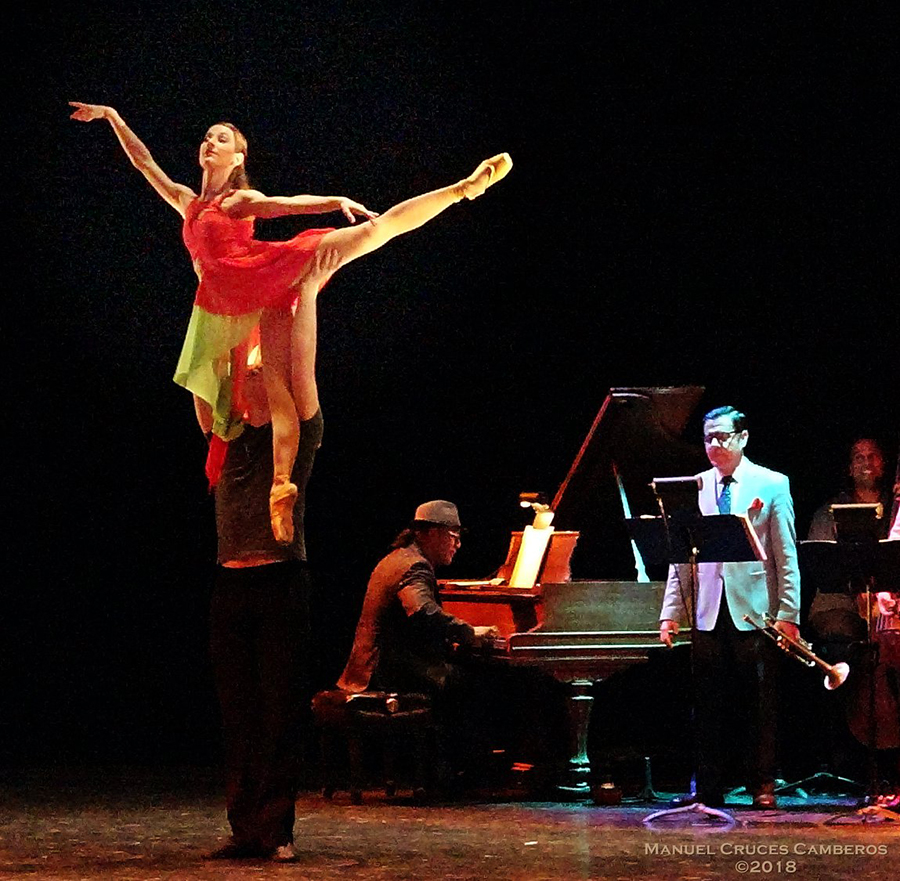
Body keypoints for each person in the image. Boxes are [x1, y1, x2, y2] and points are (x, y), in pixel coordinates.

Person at [69, 102, 512, 541]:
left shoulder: (238, 201)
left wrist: (333, 201)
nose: (210, 142)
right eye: (207, 136)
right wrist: (112, 117)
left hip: (259, 277)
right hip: (222, 305)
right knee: (218, 399)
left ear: (237, 159)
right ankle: (256, 483)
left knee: (371, 235)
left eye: (222, 139)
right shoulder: (187, 202)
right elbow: (145, 164)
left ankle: (463, 188)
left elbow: (283, 205)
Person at [200, 249, 336, 863]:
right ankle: (244, 826)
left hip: (282, 583)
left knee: (280, 713)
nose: (250, 381)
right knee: (238, 716)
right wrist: (212, 287)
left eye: (258, 377)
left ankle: (277, 830)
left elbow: (296, 381)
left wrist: (304, 297)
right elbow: (205, 380)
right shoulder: (224, 440)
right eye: (245, 380)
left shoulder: (298, 436)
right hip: (230, 585)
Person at [659, 405, 801, 809]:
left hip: (754, 609)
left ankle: (762, 783)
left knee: (759, 701)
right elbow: (680, 558)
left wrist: (788, 614)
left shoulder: (772, 483)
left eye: (722, 436)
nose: (715, 444)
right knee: (707, 702)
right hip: (708, 608)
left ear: (743, 438)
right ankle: (708, 785)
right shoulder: (695, 486)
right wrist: (670, 613)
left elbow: (786, 555)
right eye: (708, 438)